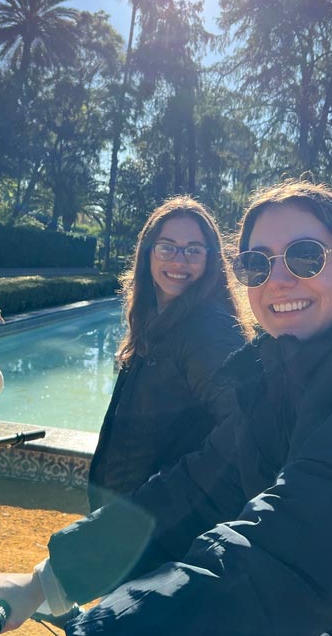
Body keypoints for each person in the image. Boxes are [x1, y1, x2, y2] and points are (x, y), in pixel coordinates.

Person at [0, 180, 332, 636]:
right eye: (256, 263)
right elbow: (194, 488)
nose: (277, 280)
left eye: (305, 256)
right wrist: (50, 578)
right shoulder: (278, 379)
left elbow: (291, 543)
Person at [87, 195, 250, 511]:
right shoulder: (156, 319)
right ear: (148, 253)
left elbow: (242, 429)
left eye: (193, 250)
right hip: (125, 515)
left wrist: (161, 494)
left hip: (154, 524)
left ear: (210, 259)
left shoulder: (207, 329)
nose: (179, 261)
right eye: (167, 247)